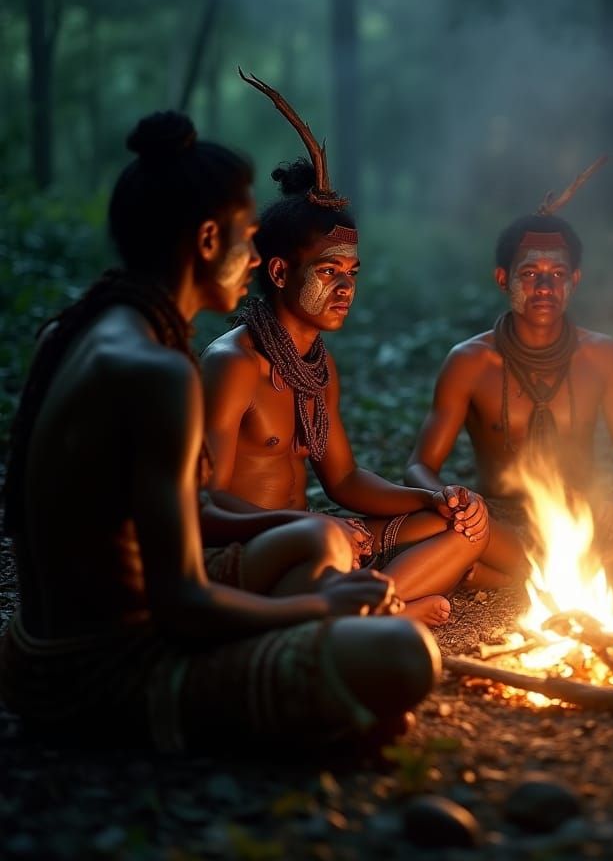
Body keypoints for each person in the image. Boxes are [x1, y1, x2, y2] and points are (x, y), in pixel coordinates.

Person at [0, 111, 437, 753]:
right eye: (249, 238)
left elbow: (187, 512)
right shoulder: (160, 372)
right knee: (402, 652)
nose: (256, 258)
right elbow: (182, 605)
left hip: (31, 649)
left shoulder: (71, 331)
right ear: (209, 239)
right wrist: (321, 608)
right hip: (101, 672)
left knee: (318, 536)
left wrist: (301, 528)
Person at [200, 73, 487, 627]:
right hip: (254, 551)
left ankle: (371, 605)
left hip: (316, 538)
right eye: (328, 271)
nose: (345, 288)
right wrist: (310, 528)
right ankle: (367, 608)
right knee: (325, 552)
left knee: (461, 529)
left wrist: (430, 499)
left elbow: (346, 480)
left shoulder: (317, 366)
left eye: (353, 273)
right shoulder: (233, 364)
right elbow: (205, 501)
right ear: (279, 272)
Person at [406, 162, 613, 586]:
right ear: (502, 279)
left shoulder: (601, 355)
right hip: (502, 525)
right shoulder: (470, 362)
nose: (544, 287)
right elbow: (420, 466)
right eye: (529, 274)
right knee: (436, 526)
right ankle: (589, 571)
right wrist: (450, 500)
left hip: (588, 518)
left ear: (574, 280)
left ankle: (527, 577)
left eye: (557, 274)